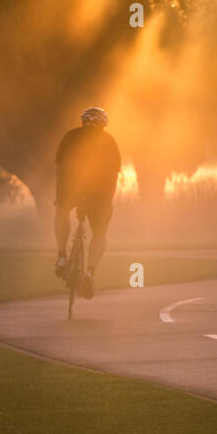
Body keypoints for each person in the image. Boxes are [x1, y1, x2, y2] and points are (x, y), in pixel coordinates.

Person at [54, 106, 121, 299]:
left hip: (71, 189)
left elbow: (59, 168)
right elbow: (114, 176)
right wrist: (108, 200)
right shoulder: (109, 141)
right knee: (100, 233)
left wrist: (59, 195)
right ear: (103, 125)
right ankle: (90, 273)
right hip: (99, 194)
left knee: (61, 211)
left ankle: (61, 256)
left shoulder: (69, 136)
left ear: (83, 121)